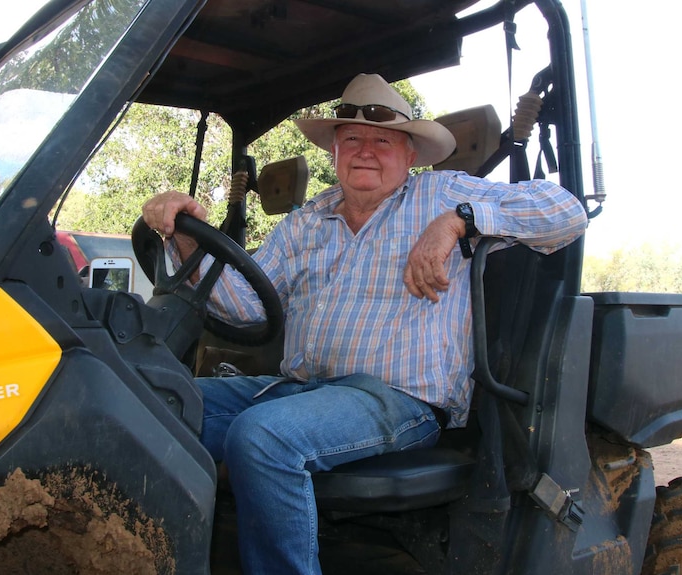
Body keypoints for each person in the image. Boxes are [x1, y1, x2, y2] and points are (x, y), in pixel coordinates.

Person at [142, 73, 587, 575]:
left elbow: (565, 211)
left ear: (411, 154)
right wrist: (184, 238)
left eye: (384, 140)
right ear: (334, 149)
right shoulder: (306, 222)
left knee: (263, 437)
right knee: (152, 401)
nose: (366, 150)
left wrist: (457, 222)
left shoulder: (441, 193)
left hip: (400, 400)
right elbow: (243, 306)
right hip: (299, 390)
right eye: (352, 138)